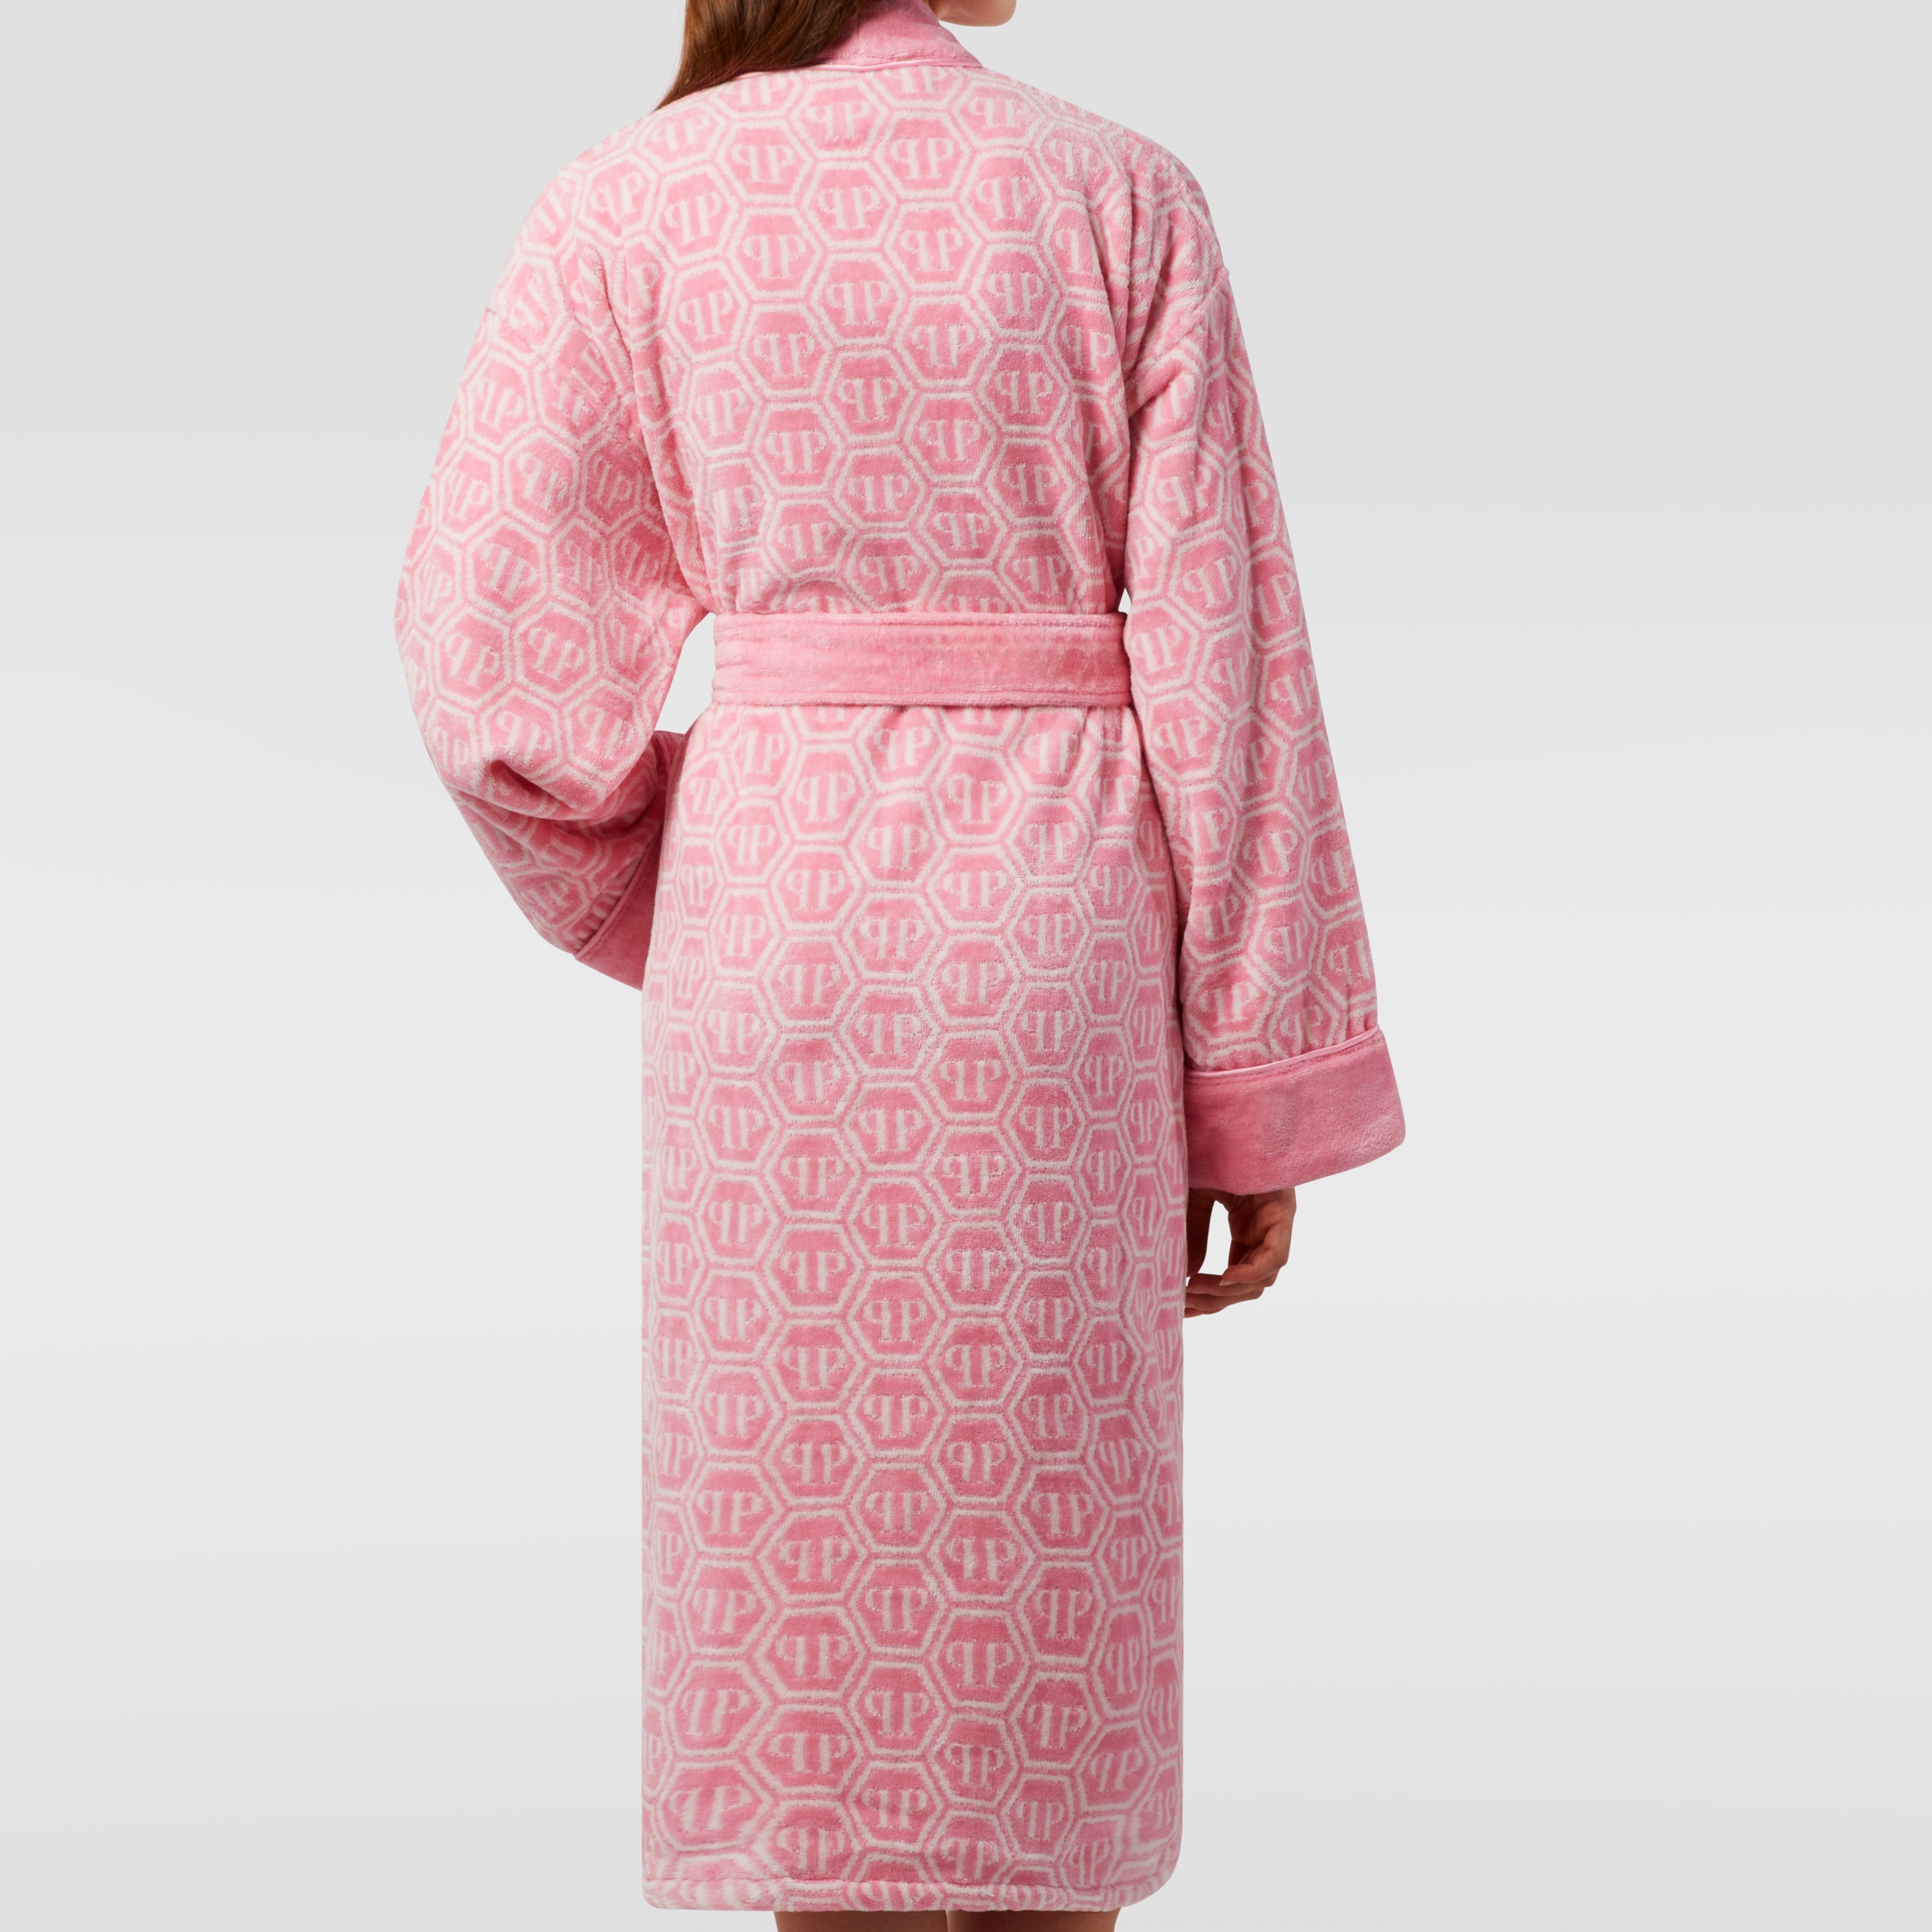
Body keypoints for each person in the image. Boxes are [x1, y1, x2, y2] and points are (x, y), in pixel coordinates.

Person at [393, 0, 1405, 1924]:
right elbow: (1231, 656)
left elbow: (482, 660)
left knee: (815, 1574)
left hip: (775, 925)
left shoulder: (631, 204)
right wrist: (1254, 1067)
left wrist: (659, 868)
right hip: (1058, 945)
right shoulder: (1121, 197)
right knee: (1045, 1567)